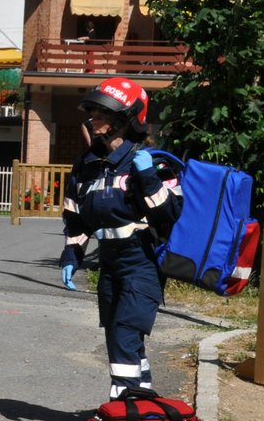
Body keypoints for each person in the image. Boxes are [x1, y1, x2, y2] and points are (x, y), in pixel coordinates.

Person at [59, 76, 184, 398]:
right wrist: (72, 255)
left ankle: (124, 400)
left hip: (142, 261)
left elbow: (170, 215)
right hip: (110, 262)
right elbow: (75, 217)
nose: (93, 121)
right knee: (118, 334)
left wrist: (149, 179)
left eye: (101, 116)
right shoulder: (87, 165)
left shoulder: (152, 163)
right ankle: (140, 402)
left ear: (124, 121)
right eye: (93, 114)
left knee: (125, 334)